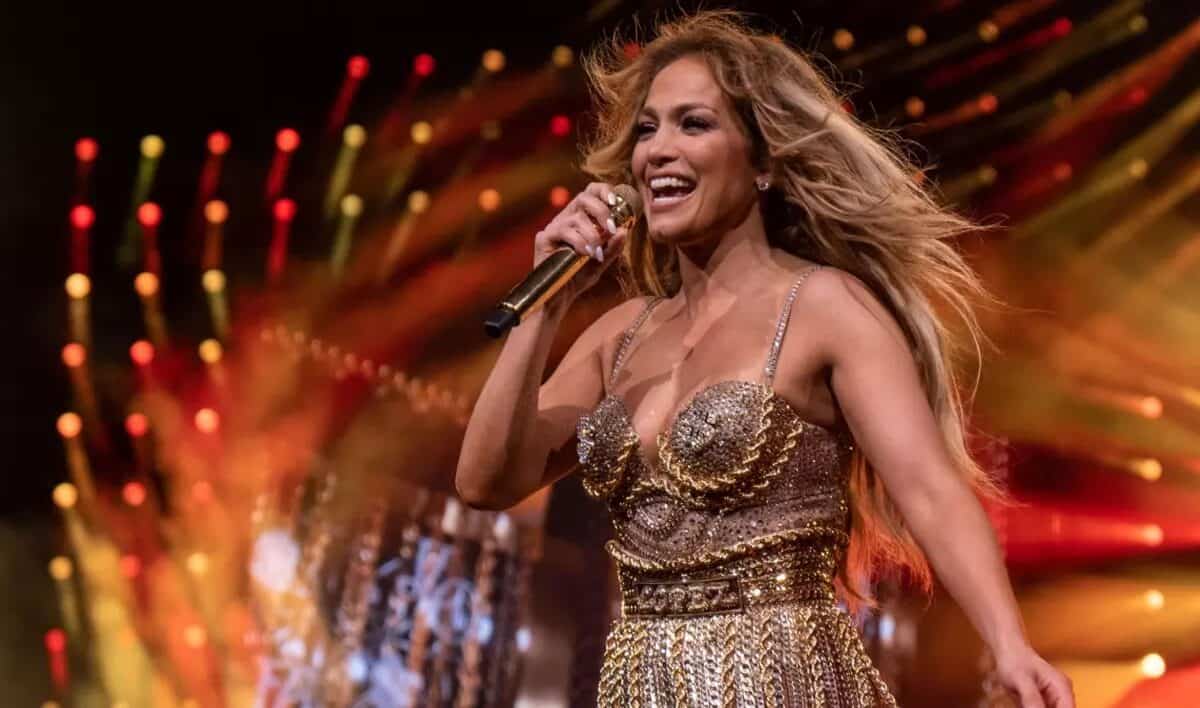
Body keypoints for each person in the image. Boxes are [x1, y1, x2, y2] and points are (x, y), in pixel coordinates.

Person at [456, 10, 1075, 707]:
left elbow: (930, 489)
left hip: (784, 678)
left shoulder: (824, 307)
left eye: (693, 124)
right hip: (640, 684)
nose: (658, 150)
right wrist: (543, 309)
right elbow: (484, 482)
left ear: (762, 164)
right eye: (647, 129)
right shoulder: (620, 335)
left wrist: (1009, 643)